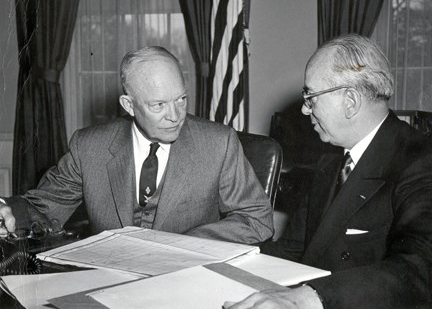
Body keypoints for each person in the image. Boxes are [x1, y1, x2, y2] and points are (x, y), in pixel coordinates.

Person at [225, 34, 432, 308]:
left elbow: (419, 268)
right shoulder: (331, 160)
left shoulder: (420, 160)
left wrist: (308, 298)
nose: (303, 108)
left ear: (350, 101)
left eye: (311, 97)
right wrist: (224, 262)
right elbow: (294, 249)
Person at [0, 46, 273, 244]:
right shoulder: (89, 147)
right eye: (159, 105)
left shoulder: (218, 144)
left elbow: (257, 219)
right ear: (129, 105)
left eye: (181, 99)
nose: (175, 116)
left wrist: (185, 243)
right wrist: (5, 211)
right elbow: (42, 207)